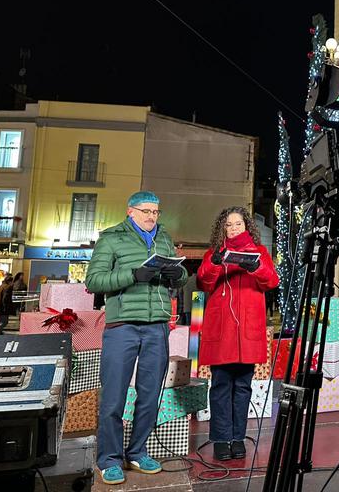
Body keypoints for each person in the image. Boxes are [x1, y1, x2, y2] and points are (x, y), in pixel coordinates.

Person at [86, 191, 187, 486]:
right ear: (130, 211)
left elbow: (180, 278)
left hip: (157, 326)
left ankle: (137, 452)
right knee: (114, 396)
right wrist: (133, 274)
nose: (152, 216)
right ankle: (109, 459)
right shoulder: (111, 238)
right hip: (122, 327)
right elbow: (94, 280)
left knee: (150, 394)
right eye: (146, 211)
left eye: (155, 211)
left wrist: (177, 274)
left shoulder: (163, 238)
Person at [197, 207, 279, 461]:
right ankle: (221, 439)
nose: (233, 229)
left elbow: (271, 281)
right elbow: (203, 283)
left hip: (247, 330)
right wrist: (215, 263)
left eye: (238, 224)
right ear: (222, 228)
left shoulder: (260, 252)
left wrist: (255, 267)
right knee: (221, 385)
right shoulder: (214, 252)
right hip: (222, 330)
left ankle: (238, 437)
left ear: (247, 227)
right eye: (228, 225)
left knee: (243, 386)